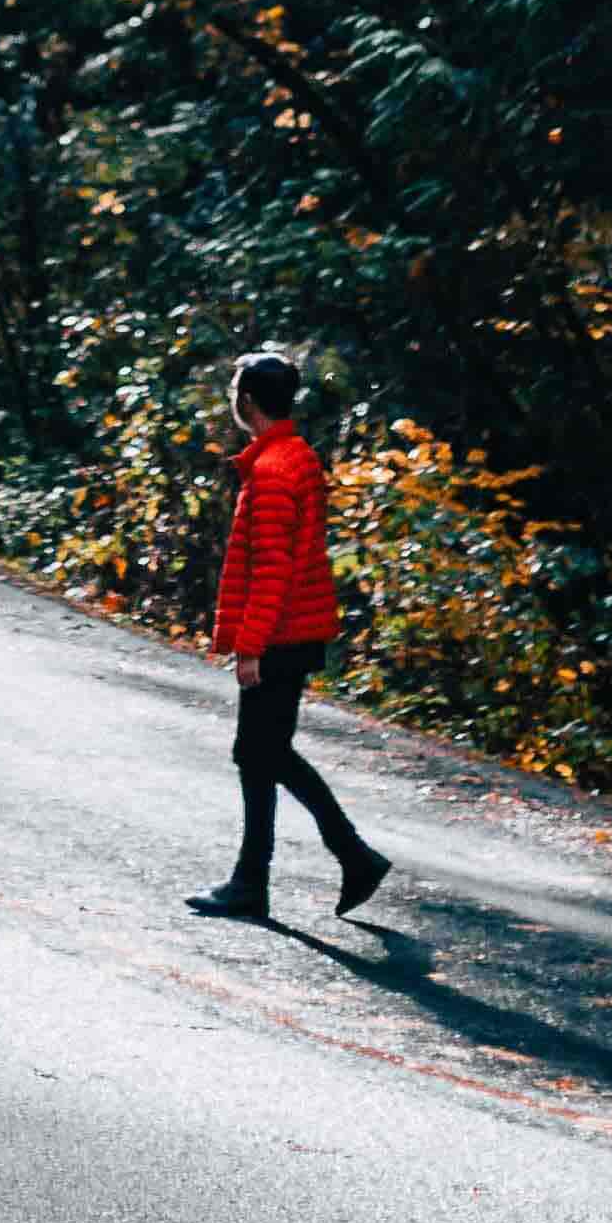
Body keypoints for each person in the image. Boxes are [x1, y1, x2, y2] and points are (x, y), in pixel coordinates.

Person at [187, 348, 390, 924]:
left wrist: (250, 646)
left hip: (280, 634)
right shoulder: (292, 457)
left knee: (261, 753)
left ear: (245, 400)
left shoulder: (274, 472)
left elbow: (273, 569)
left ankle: (346, 856)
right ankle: (263, 878)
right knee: (260, 755)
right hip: (295, 630)